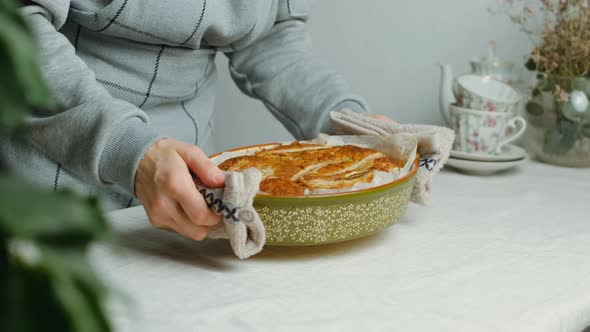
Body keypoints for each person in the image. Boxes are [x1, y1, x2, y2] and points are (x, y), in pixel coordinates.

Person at [2, 0, 390, 241]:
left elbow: (268, 34)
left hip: (189, 196)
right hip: (48, 185)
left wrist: (349, 125)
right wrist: (132, 152)